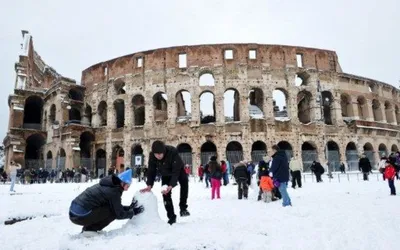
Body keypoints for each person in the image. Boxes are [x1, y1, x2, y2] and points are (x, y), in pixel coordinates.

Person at [69, 169, 143, 235]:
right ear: (122, 183)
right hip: (80, 215)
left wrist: (129, 208)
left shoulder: (109, 184)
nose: (128, 188)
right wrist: (133, 212)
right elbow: (118, 214)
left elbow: (115, 206)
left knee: (109, 208)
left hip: (74, 212)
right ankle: (90, 230)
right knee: (112, 212)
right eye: (128, 185)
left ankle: (89, 229)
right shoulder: (114, 191)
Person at [140, 140, 190, 225]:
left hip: (178, 170)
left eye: (160, 154)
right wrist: (149, 185)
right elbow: (151, 171)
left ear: (164, 151)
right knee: (165, 194)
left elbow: (175, 172)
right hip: (165, 173)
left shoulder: (173, 152)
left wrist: (171, 185)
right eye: (156, 154)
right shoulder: (152, 156)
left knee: (184, 183)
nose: (158, 156)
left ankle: (183, 208)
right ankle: (171, 217)